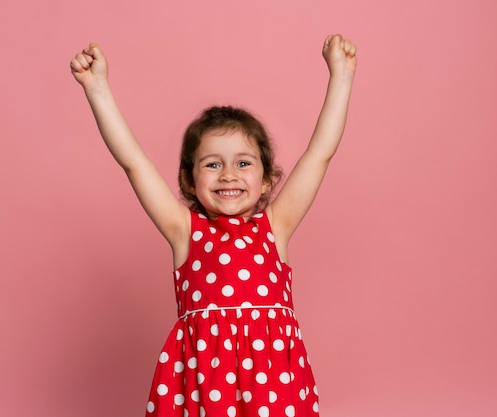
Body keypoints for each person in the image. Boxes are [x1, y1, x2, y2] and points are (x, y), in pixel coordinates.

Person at [70, 33, 357, 417]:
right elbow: (134, 162)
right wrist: (97, 87)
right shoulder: (183, 229)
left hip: (272, 383)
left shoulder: (277, 225)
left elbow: (320, 153)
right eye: (212, 164)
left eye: (243, 163)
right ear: (189, 181)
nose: (227, 175)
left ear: (268, 179)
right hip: (205, 383)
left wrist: (341, 75)